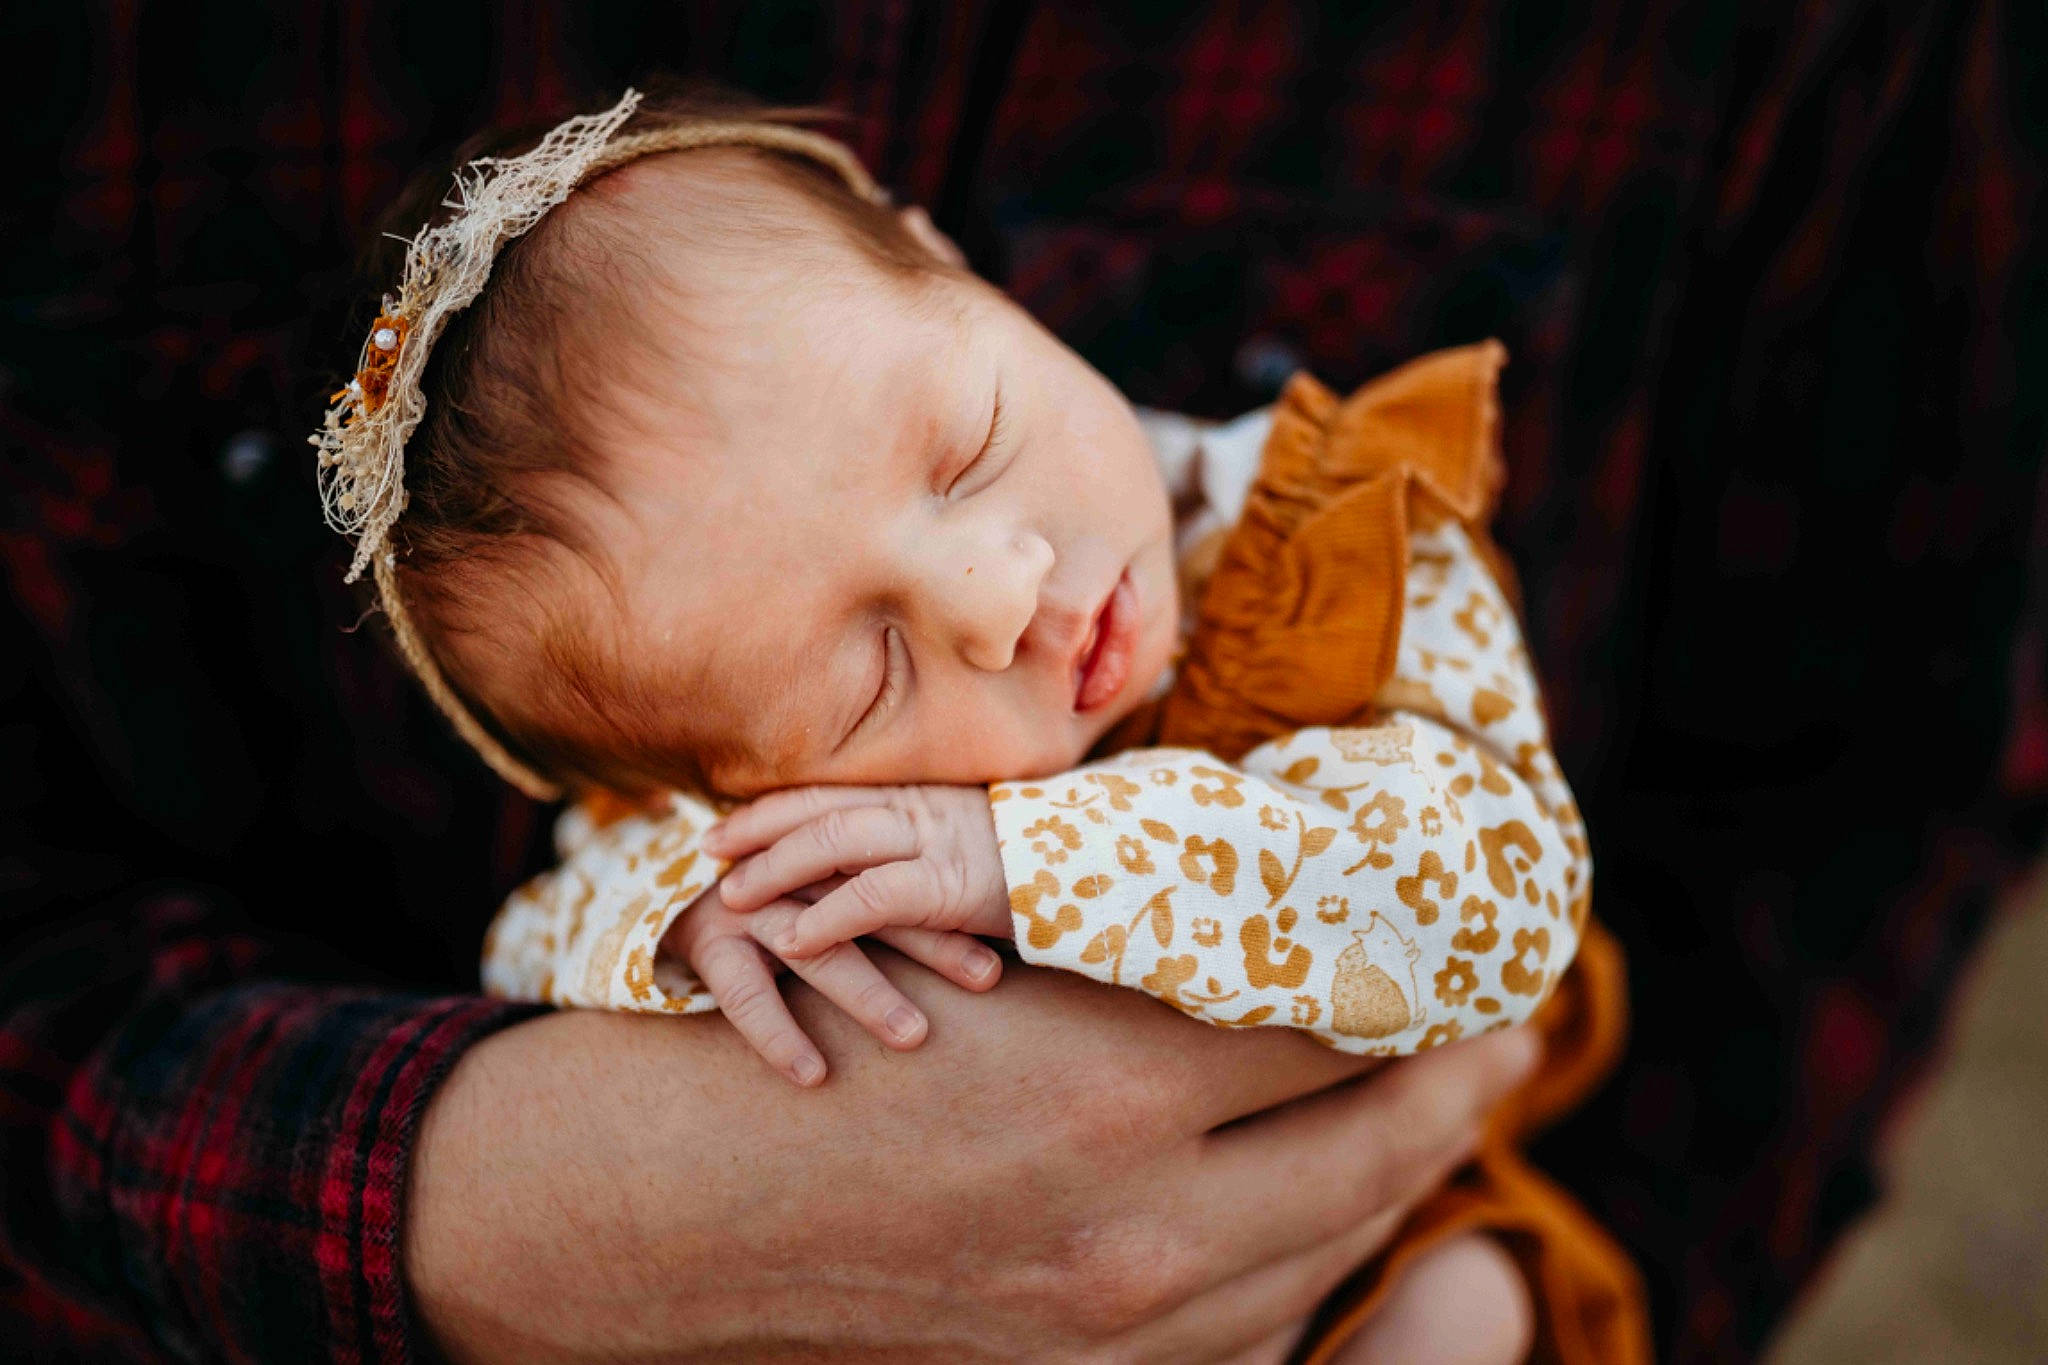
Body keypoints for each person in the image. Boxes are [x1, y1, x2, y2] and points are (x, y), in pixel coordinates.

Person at [312, 85, 1645, 1362]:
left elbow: (1502, 895)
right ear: (728, 788)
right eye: (870, 677)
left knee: (1460, 1314)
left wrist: (1025, 857)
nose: (998, 594)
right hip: (941, 1294)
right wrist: (691, 917)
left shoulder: (1333, 538)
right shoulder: (735, 826)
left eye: (970, 446)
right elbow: (532, 932)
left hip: (1349, 1234)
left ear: (953, 267)